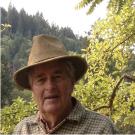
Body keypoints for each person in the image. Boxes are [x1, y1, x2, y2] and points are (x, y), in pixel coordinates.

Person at [13, 34, 118, 134]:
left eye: (57, 77)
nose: (50, 87)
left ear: (72, 81)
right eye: (41, 80)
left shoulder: (102, 129)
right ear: (32, 88)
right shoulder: (22, 130)